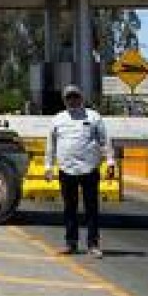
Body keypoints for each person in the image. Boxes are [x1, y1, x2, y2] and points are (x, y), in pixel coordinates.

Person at [44, 84, 115, 258]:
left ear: (81, 98)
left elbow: (105, 141)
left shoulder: (93, 116)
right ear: (64, 100)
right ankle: (71, 243)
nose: (72, 100)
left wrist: (111, 161)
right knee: (70, 209)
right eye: (69, 97)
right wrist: (48, 167)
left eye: (75, 96)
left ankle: (93, 244)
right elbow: (50, 145)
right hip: (66, 170)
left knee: (92, 209)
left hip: (89, 169)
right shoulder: (57, 119)